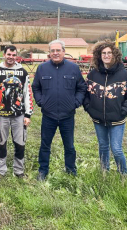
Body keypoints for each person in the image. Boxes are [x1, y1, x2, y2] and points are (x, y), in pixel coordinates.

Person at [32, 39, 87, 180]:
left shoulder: (73, 68)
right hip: (48, 115)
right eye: (52, 51)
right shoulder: (42, 68)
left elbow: (81, 87)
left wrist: (75, 102)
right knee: (45, 145)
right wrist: (40, 101)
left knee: (69, 146)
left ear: (63, 52)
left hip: (67, 115)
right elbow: (36, 87)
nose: (55, 53)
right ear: (49, 53)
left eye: (58, 50)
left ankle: (70, 170)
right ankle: (43, 171)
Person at [83, 41, 127, 174]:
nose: (106, 55)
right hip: (98, 119)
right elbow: (84, 93)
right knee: (103, 147)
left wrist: (124, 111)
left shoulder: (124, 75)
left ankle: (123, 175)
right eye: (103, 53)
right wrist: (89, 108)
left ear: (114, 55)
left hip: (117, 119)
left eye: (109, 53)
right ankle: (104, 172)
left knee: (116, 149)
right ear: (99, 55)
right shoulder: (93, 74)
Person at [0, 45, 33, 179]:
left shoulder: (23, 72)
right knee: (1, 143)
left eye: (13, 55)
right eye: (8, 54)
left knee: (20, 143)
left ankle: (19, 170)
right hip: (0, 114)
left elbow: (27, 93)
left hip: (19, 115)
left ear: (16, 56)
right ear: (4, 54)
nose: (11, 57)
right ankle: (1, 170)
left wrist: (28, 114)